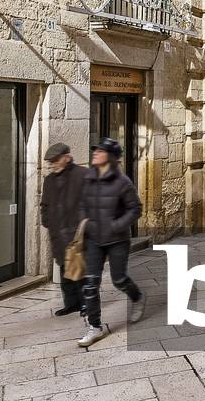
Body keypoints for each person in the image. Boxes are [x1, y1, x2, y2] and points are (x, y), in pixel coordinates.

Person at [78, 137, 145, 347]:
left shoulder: (122, 182)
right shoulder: (89, 178)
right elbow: (82, 206)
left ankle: (137, 297)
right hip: (94, 240)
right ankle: (95, 327)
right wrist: (86, 225)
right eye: (95, 150)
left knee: (119, 279)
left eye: (100, 151)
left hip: (117, 240)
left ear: (111, 157)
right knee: (91, 283)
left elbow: (136, 209)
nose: (95, 153)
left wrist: (116, 226)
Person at [40, 142, 87, 316]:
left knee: (81, 270)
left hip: (77, 233)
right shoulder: (49, 180)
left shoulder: (83, 175)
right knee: (64, 270)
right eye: (51, 161)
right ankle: (71, 304)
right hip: (57, 233)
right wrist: (47, 221)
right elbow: (45, 204)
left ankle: (86, 304)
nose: (53, 164)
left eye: (56, 160)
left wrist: (85, 224)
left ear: (67, 158)